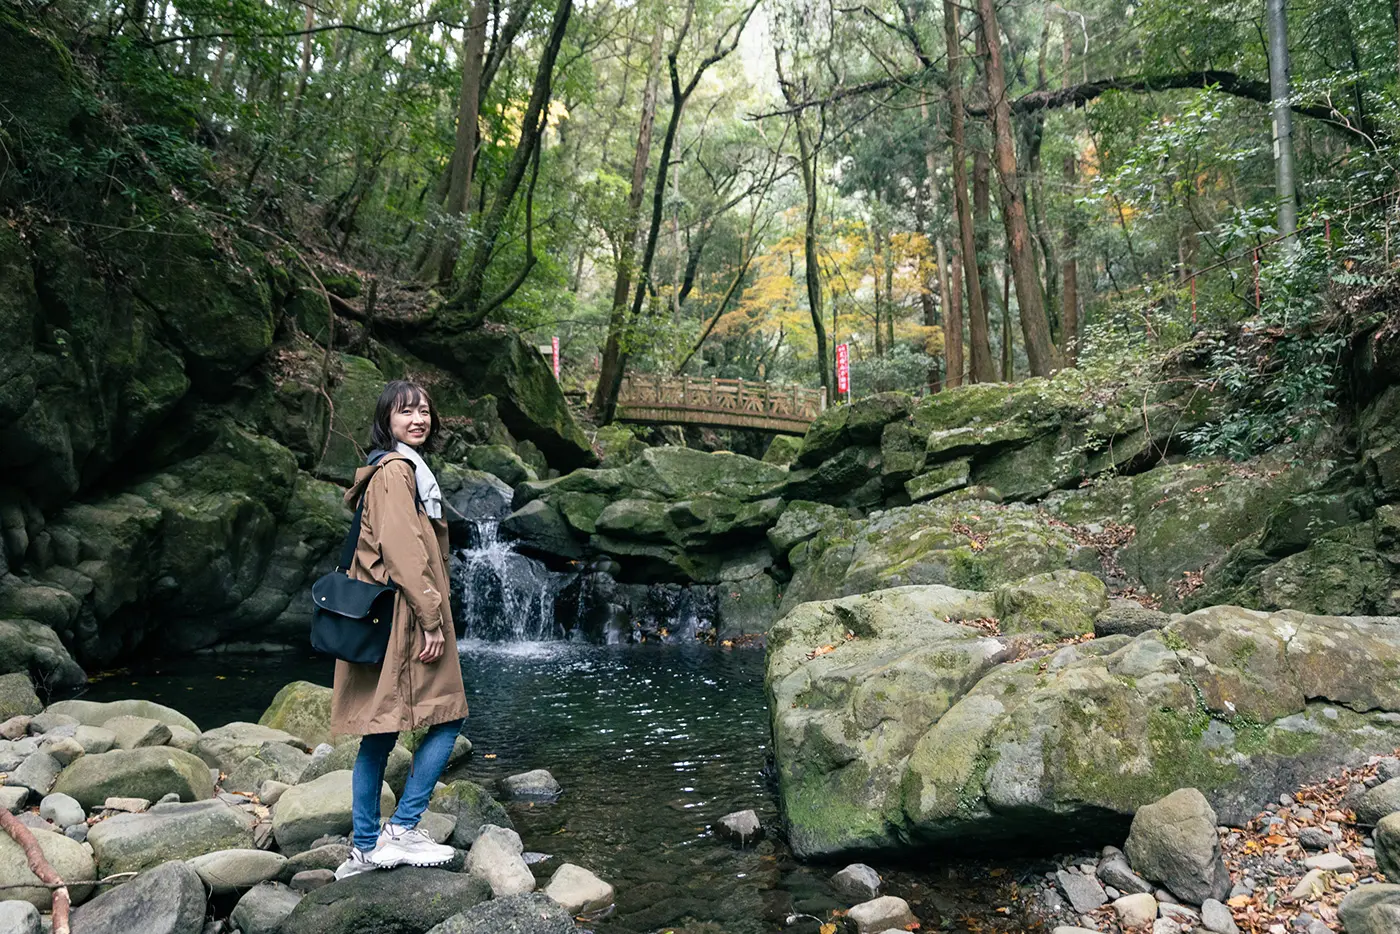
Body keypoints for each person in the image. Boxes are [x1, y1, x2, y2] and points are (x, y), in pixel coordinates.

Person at [331, 379, 470, 880]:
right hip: (409, 617)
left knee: (384, 728)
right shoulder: (395, 471)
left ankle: (371, 841)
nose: (418, 419)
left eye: (425, 411)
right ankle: (392, 832)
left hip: (405, 612)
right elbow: (405, 551)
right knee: (443, 716)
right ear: (386, 419)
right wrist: (432, 618)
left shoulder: (403, 470)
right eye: (406, 411)